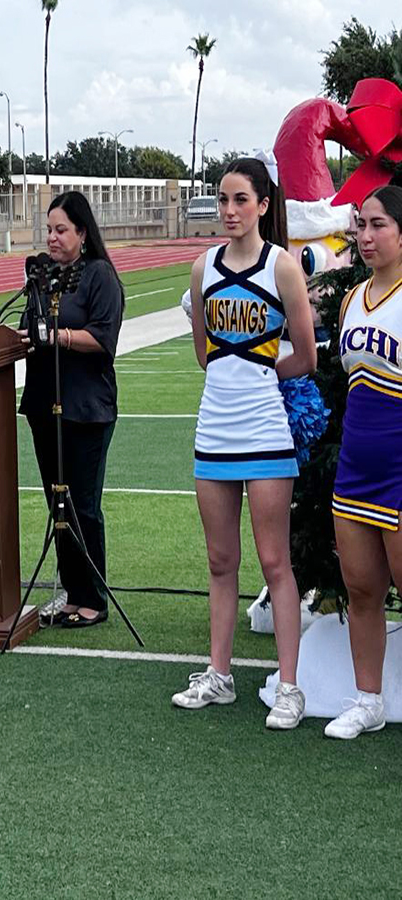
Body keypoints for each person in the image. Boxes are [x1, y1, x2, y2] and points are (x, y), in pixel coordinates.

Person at [174, 158, 316, 728]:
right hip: (215, 427)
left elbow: (304, 356)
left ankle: (288, 685)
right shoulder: (200, 269)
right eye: (222, 200)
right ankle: (220, 674)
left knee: (275, 560)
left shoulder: (282, 267)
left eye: (240, 200)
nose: (228, 211)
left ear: (262, 204)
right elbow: (204, 354)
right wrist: (237, 371)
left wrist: (258, 374)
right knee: (219, 560)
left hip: (263, 428)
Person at [18, 191, 124, 628]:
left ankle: (92, 598)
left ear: (83, 232)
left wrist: (59, 336)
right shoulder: (43, 279)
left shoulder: (100, 276)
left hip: (86, 408)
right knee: (57, 505)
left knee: (82, 504)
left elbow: (102, 340)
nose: (53, 237)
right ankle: (70, 591)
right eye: (49, 229)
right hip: (45, 405)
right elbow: (29, 329)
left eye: (62, 229)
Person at [326, 184, 402, 739]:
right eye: (361, 224)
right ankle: (367, 699)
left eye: (377, 225)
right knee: (361, 589)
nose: (365, 235)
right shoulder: (352, 299)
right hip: (356, 467)